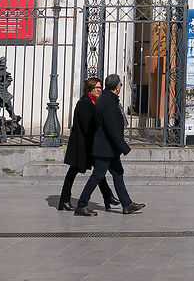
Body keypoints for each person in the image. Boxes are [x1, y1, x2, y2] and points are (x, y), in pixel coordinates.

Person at [76, 71, 146, 216]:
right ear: (117, 87)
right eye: (120, 84)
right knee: (97, 175)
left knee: (118, 173)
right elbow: (111, 127)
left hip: (109, 148)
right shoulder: (108, 102)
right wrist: (124, 146)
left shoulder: (107, 99)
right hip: (105, 147)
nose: (120, 86)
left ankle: (127, 204)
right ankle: (81, 204)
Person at [60, 75, 118, 212]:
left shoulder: (94, 102)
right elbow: (89, 126)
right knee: (73, 172)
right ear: (89, 89)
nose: (99, 90)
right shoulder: (84, 103)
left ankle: (107, 195)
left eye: (100, 87)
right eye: (96, 88)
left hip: (89, 144)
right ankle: (64, 200)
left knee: (99, 171)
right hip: (81, 145)